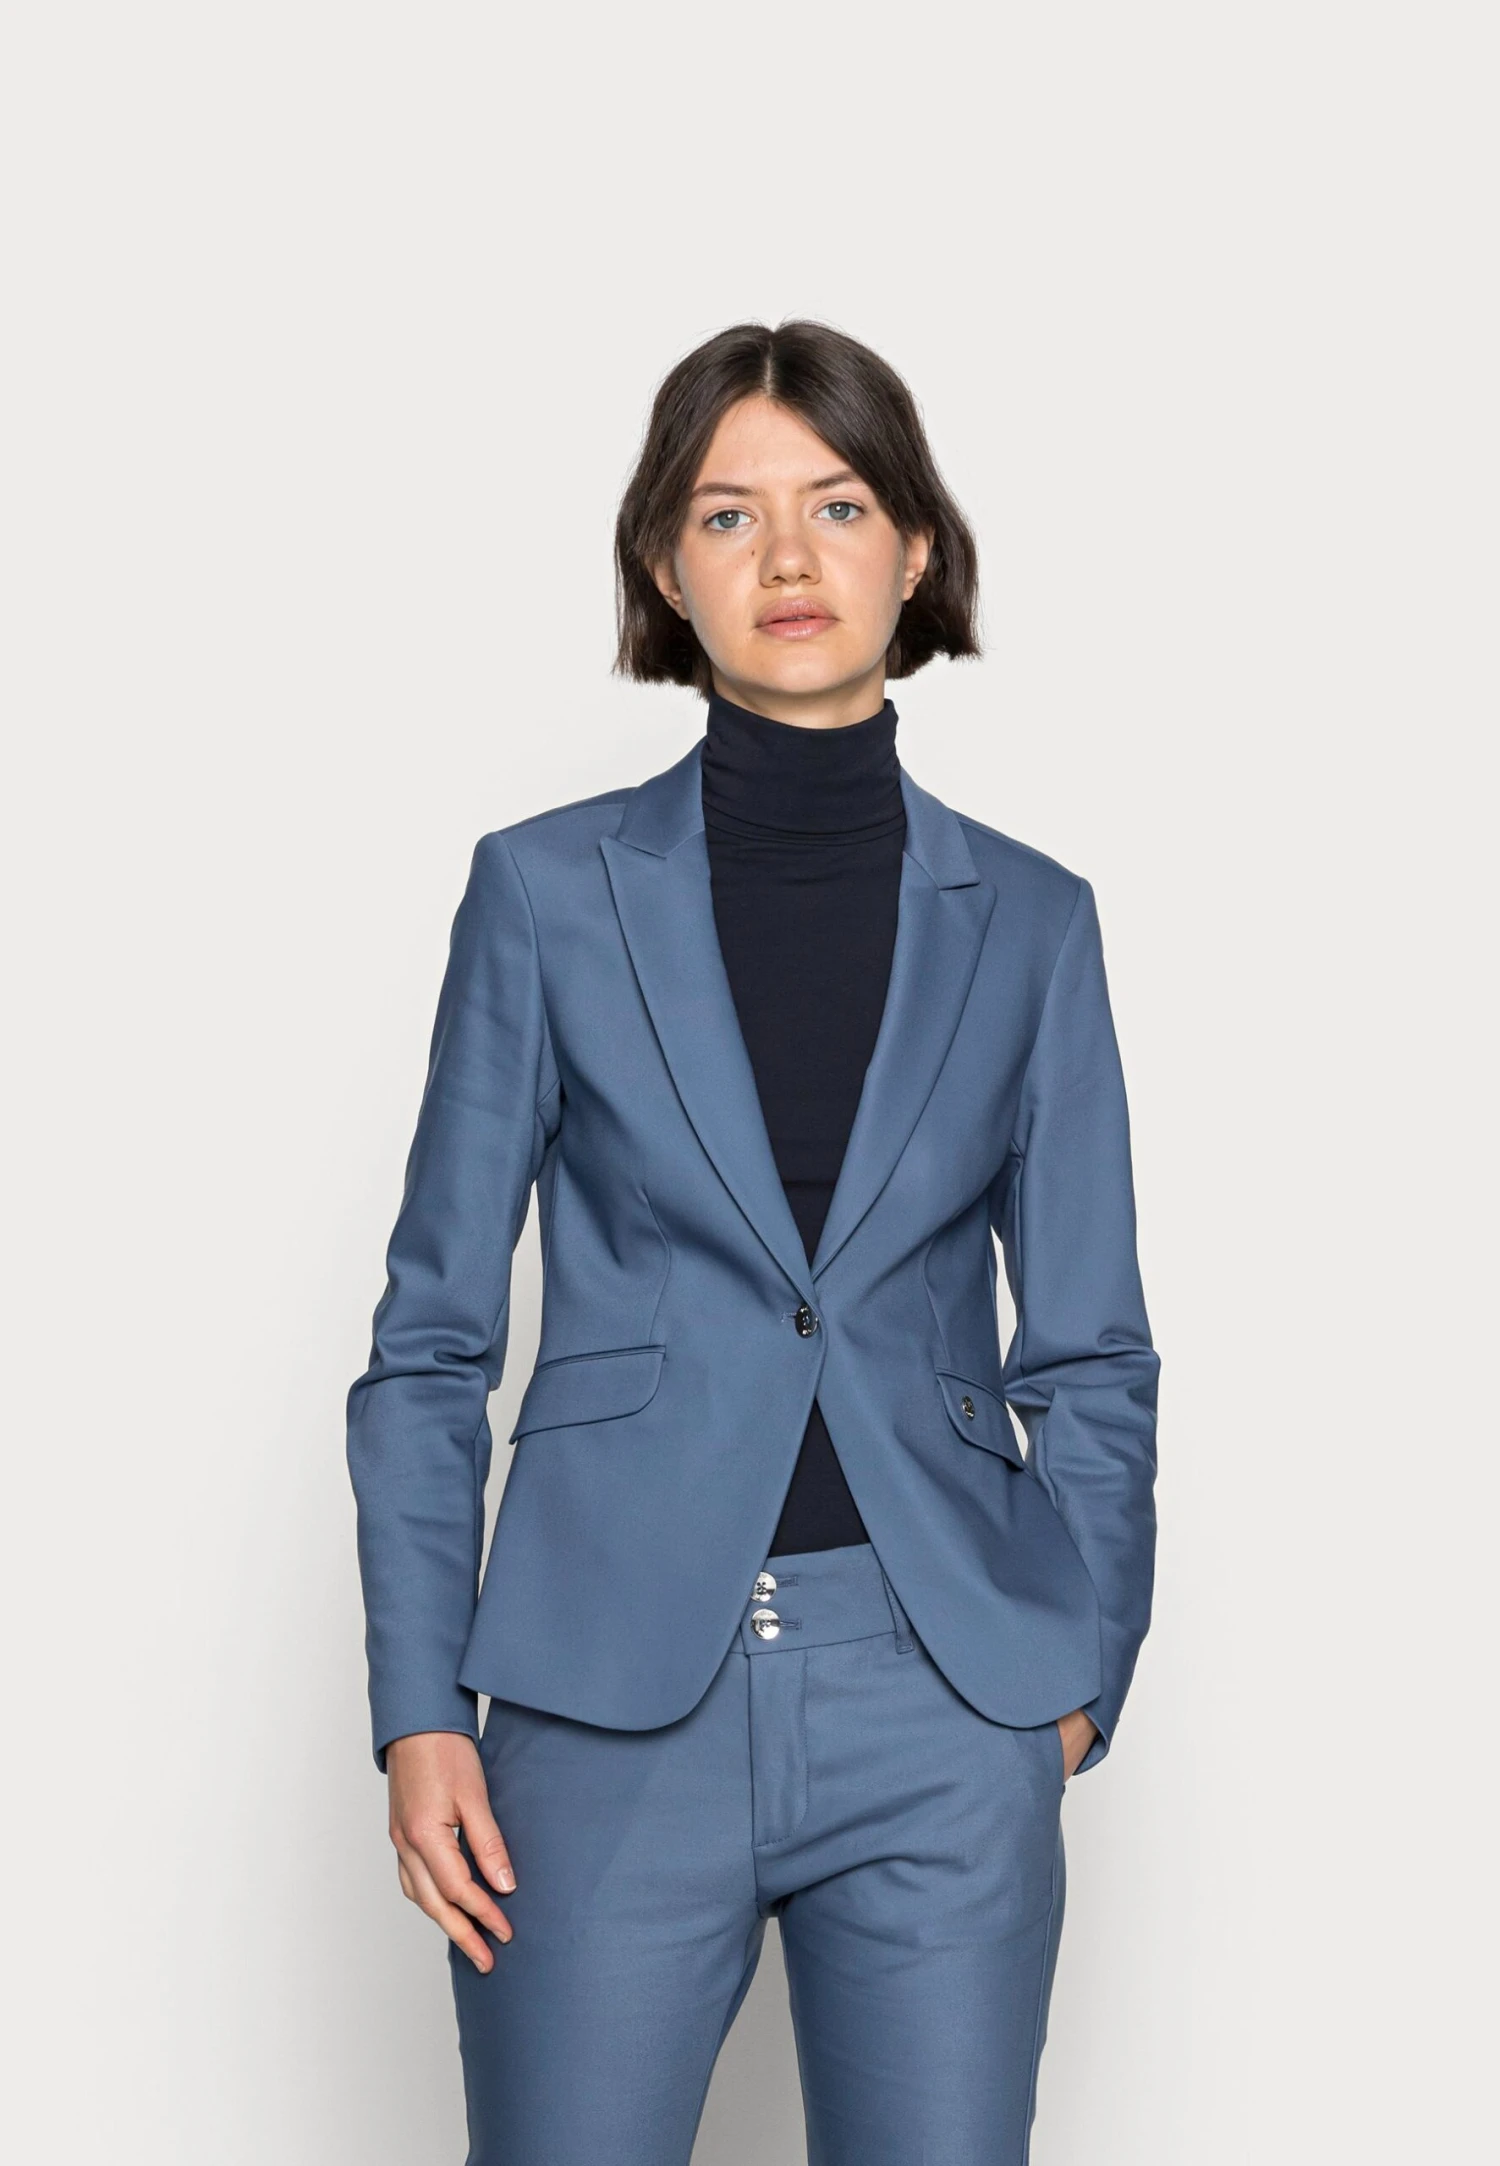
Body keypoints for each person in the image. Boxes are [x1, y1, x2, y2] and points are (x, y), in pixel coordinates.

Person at [346, 319, 1159, 2165]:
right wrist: (419, 1711)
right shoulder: (544, 893)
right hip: (603, 1698)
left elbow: (1093, 1347)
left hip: (941, 1694)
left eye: (838, 504)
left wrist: (1070, 1681)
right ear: (666, 564)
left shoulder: (1035, 924)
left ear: (915, 547)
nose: (789, 557)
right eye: (729, 513)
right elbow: (429, 1343)